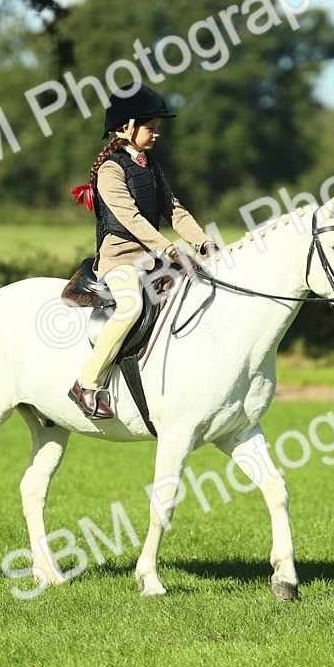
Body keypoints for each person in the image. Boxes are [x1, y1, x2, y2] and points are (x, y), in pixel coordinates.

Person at [67, 84, 220, 420]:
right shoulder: (110, 170)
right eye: (151, 127)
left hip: (153, 259)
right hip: (118, 260)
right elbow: (132, 219)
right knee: (131, 305)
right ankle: (86, 384)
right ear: (127, 127)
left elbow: (174, 209)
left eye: (157, 128)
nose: (157, 133)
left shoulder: (151, 166)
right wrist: (170, 248)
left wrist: (201, 242)